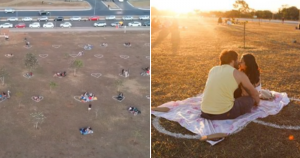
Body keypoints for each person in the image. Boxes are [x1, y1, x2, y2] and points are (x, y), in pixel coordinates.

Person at [200, 50, 260, 120]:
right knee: (250, 99)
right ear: (232, 61)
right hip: (223, 113)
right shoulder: (238, 74)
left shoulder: (213, 69)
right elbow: (254, 93)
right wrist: (257, 102)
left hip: (204, 112)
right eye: (237, 60)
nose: (239, 62)